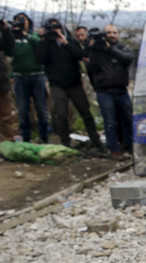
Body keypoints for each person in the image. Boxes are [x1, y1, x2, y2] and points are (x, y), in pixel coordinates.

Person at [34, 17, 103, 152]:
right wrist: (43, 39)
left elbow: (81, 55)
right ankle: (65, 142)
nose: (55, 31)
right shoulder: (47, 44)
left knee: (85, 112)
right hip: (56, 84)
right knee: (61, 114)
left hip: (74, 83)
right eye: (52, 29)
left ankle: (96, 140)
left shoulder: (70, 42)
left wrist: (65, 43)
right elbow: (40, 59)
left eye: (57, 28)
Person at [1, 13, 50, 143]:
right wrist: (10, 33)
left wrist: (25, 35)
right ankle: (26, 138)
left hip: (36, 76)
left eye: (23, 21)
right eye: (17, 21)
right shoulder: (11, 38)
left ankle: (44, 137)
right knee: (22, 111)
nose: (20, 23)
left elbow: (40, 47)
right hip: (19, 78)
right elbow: (9, 51)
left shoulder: (33, 35)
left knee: (41, 109)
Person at [87, 24, 134, 158]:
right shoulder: (96, 51)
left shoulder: (121, 48)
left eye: (114, 32)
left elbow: (128, 58)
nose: (112, 35)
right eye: (108, 33)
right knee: (110, 122)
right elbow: (91, 68)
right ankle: (114, 149)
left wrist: (110, 49)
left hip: (121, 90)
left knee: (128, 119)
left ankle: (129, 145)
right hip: (104, 90)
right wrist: (94, 49)